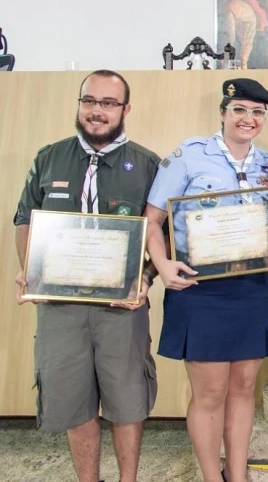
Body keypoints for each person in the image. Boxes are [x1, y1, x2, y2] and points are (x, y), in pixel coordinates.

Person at [13, 69, 160, 482]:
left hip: (122, 308)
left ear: (125, 110)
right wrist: (31, 270)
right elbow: (25, 220)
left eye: (109, 103)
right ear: (79, 104)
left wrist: (147, 278)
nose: (97, 111)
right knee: (74, 403)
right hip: (61, 307)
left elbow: (163, 236)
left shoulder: (148, 164)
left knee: (127, 402)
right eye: (90, 101)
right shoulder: (49, 157)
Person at [144, 79, 268, 482]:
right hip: (199, 288)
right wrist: (161, 263)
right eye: (240, 110)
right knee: (210, 393)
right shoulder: (189, 157)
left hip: (251, 287)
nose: (249, 119)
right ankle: (212, 476)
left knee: (244, 388)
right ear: (224, 112)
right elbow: (152, 220)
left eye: (258, 112)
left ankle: (238, 473)